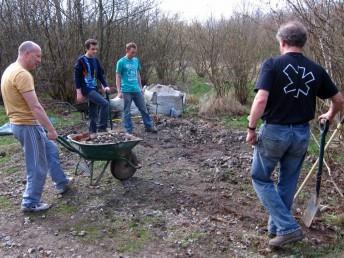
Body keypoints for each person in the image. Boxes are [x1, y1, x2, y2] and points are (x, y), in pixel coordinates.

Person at [246, 21, 344, 248]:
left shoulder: (272, 64)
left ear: (282, 42)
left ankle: (288, 227)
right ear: (303, 42)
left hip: (274, 132)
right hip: (301, 134)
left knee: (260, 177)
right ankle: (277, 227)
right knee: (287, 182)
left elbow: (261, 99)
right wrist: (329, 115)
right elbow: (339, 100)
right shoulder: (316, 70)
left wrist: (251, 128)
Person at [0, 41, 73, 212]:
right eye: (37, 56)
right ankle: (30, 202)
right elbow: (35, 106)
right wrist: (51, 129)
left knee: (51, 150)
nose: (39, 60)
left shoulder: (10, 69)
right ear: (26, 54)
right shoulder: (22, 74)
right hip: (27, 125)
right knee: (37, 165)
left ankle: (61, 182)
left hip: (24, 124)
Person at [115, 42, 157, 134]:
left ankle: (148, 126)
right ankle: (128, 130)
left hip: (136, 89)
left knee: (144, 109)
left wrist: (141, 87)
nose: (133, 54)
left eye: (135, 52)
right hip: (126, 90)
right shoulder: (121, 62)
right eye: (132, 52)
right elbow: (118, 76)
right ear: (127, 50)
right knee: (127, 111)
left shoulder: (136, 60)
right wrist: (119, 91)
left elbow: (138, 74)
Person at [74, 39, 110, 133]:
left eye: (96, 49)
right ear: (87, 49)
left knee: (93, 111)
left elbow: (100, 75)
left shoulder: (95, 60)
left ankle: (92, 132)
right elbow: (77, 78)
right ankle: (102, 127)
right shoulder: (81, 61)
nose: (95, 51)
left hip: (94, 88)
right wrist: (79, 93)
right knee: (105, 104)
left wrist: (105, 85)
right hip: (86, 89)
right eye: (92, 49)